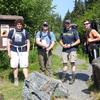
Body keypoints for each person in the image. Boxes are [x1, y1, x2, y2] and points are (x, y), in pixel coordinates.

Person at [7, 19, 30, 86]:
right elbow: (8, 42)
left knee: (25, 65)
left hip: (23, 51)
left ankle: (27, 80)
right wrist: (9, 52)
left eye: (20, 24)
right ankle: (16, 79)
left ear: (22, 25)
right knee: (15, 65)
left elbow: (28, 42)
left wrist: (28, 51)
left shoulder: (25, 32)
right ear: (16, 25)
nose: (19, 25)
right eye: (18, 24)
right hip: (14, 50)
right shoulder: (11, 32)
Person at [59, 19, 80, 84]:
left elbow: (78, 41)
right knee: (64, 64)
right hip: (65, 50)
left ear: (70, 24)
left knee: (72, 63)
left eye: (68, 23)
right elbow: (60, 40)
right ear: (64, 24)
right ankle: (63, 78)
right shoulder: (62, 31)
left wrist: (71, 45)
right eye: (66, 23)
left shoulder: (74, 31)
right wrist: (63, 45)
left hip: (72, 50)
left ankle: (72, 78)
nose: (67, 24)